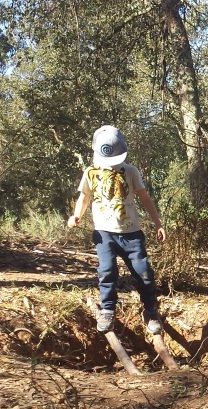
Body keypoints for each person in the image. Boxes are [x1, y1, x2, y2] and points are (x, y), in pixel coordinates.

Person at [67, 125, 166, 335]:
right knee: (107, 271)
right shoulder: (90, 173)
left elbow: (145, 198)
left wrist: (159, 223)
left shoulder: (130, 171)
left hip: (132, 233)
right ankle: (108, 311)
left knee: (144, 273)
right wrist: (76, 216)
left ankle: (151, 312)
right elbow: (84, 197)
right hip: (104, 233)